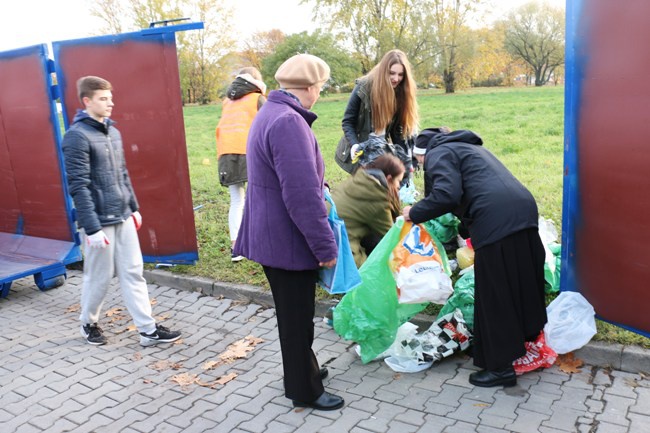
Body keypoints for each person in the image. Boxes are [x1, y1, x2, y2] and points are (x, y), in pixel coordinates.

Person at [233, 54, 344, 410]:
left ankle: (300, 371)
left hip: (274, 235)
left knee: (292, 316)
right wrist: (325, 247)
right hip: (287, 240)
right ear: (310, 87)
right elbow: (300, 195)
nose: (320, 94)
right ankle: (304, 389)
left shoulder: (271, 112)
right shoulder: (288, 122)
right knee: (297, 321)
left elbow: (297, 179)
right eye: (321, 88)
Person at [403, 128, 547, 388]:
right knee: (521, 281)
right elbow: (477, 189)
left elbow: (446, 195)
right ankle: (525, 341)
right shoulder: (469, 148)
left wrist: (414, 211)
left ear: (422, 154)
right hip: (523, 211)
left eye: (419, 161)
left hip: (496, 220)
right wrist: (466, 229)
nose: (423, 166)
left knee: (495, 294)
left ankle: (501, 367)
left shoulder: (438, 153)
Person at [62, 76, 181, 347]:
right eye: (103, 99)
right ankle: (88, 323)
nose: (110, 103)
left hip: (123, 215)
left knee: (133, 272)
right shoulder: (76, 137)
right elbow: (78, 186)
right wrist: (91, 228)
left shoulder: (113, 132)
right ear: (87, 101)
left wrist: (134, 208)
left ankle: (148, 330)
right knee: (99, 277)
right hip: (98, 222)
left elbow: (123, 173)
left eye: (110, 98)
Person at [336, 49, 419, 176]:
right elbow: (348, 121)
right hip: (360, 149)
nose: (396, 79)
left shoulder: (400, 92)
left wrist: (404, 160)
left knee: (384, 187)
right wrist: (354, 145)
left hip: (381, 149)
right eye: (392, 73)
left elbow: (397, 130)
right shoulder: (363, 87)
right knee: (365, 189)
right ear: (384, 71)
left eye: (400, 74)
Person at [215, 67, 267, 262]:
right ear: (256, 80)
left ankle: (236, 247)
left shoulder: (227, 100)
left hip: (226, 152)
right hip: (250, 152)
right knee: (259, 198)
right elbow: (267, 125)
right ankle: (259, 242)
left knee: (237, 200)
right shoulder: (257, 98)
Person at [331, 154, 405, 267]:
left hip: (328, 238)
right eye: (398, 181)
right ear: (389, 178)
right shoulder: (377, 196)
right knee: (376, 271)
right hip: (342, 250)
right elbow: (390, 236)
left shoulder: (360, 179)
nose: (399, 186)